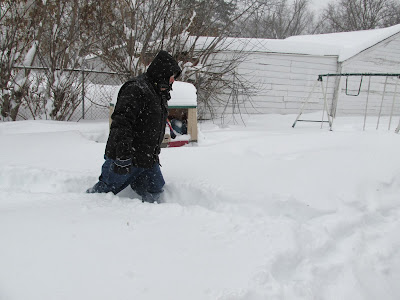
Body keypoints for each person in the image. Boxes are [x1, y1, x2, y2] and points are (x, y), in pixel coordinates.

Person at [86, 50, 181, 203]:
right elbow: (121, 123)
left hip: (148, 160)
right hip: (126, 157)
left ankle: (149, 221)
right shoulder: (136, 89)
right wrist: (122, 156)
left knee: (155, 190)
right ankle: (79, 208)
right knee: (102, 193)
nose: (173, 81)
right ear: (162, 72)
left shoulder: (158, 92)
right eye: (171, 76)